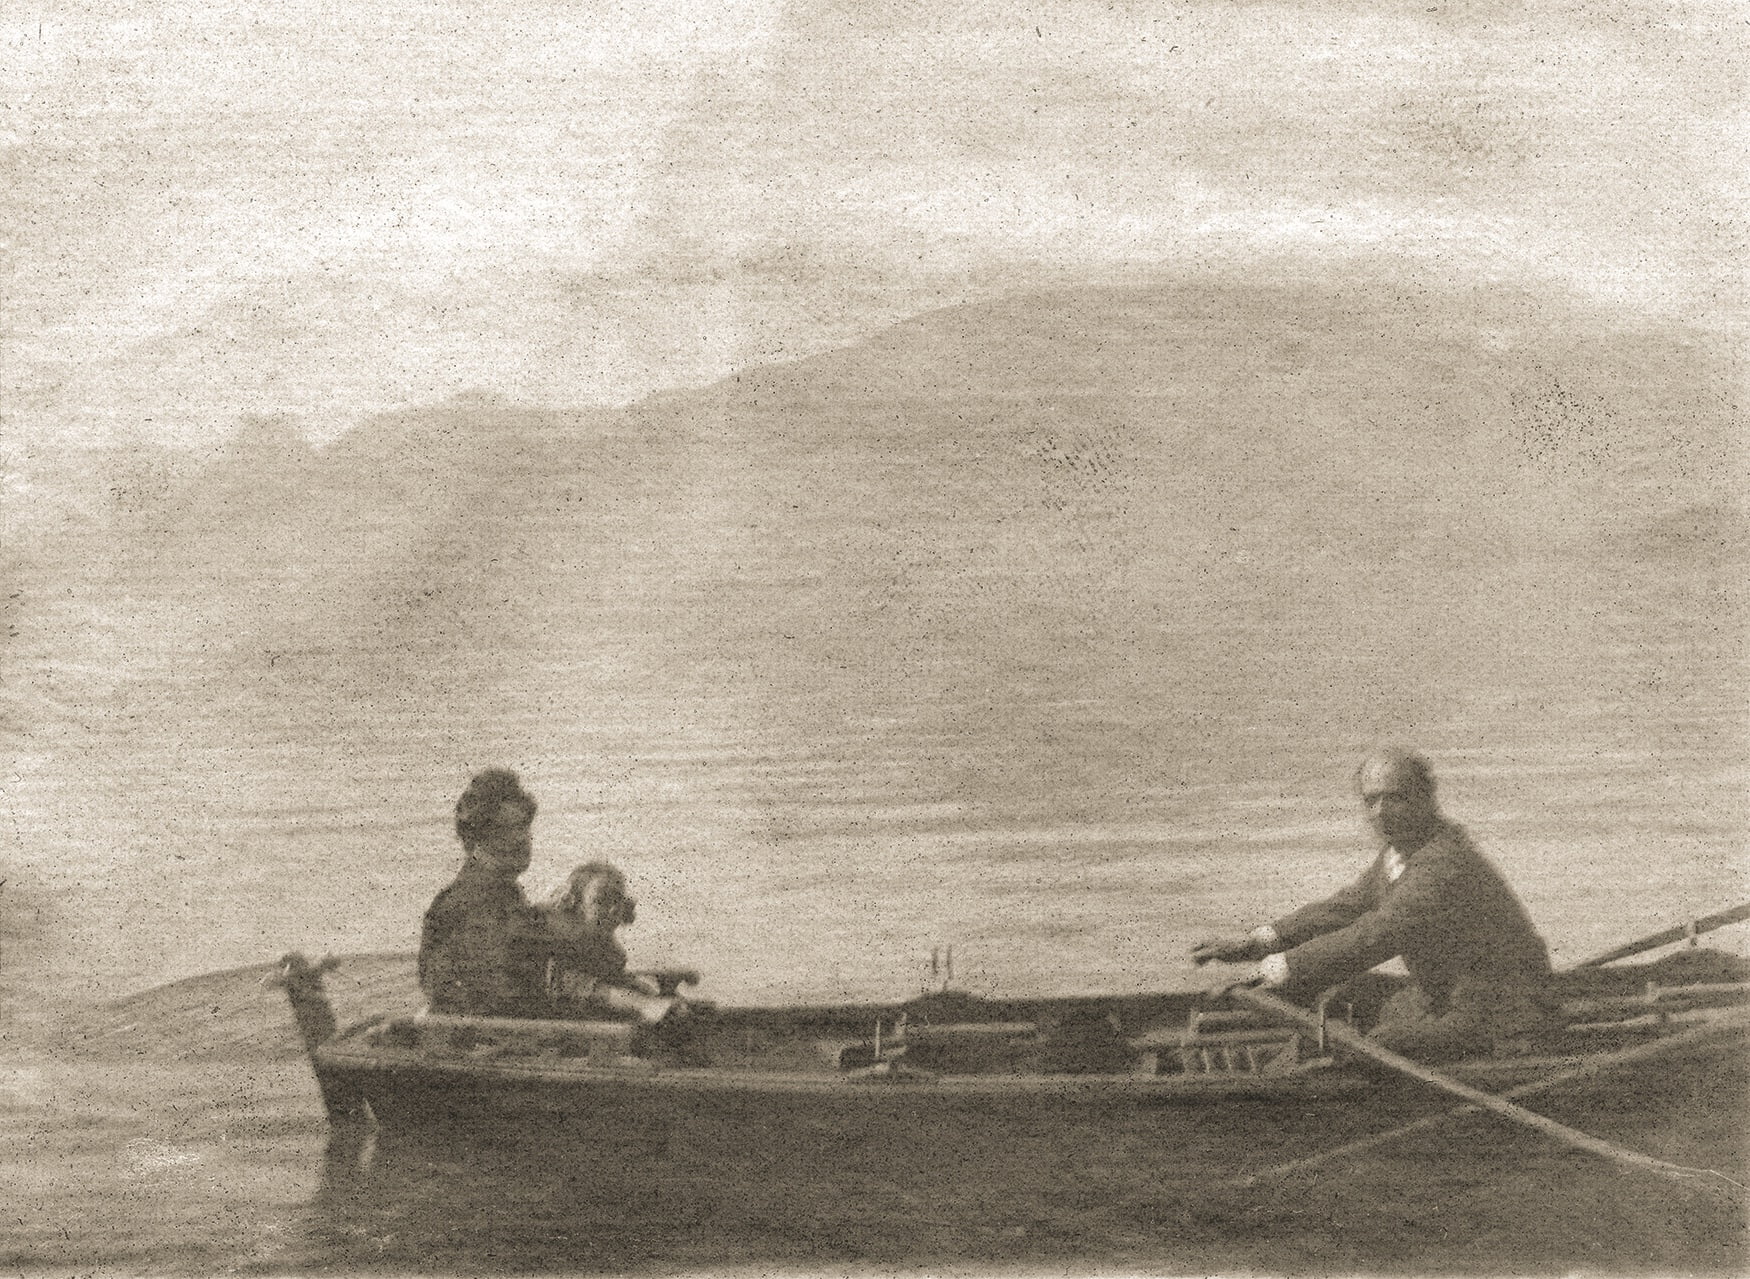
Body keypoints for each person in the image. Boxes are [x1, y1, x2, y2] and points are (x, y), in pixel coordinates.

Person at [1192, 747, 1557, 1061]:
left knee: (1378, 1046)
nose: (1380, 812)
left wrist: (1281, 968)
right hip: (1447, 996)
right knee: (1342, 995)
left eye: (1394, 798)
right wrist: (1259, 942)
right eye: (1371, 801)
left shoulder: (1443, 863)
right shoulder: (1402, 853)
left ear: (1426, 799)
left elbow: (1378, 933)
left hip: (1504, 1015)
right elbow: (1347, 908)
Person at [417, 768, 553, 1017]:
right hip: (482, 1033)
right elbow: (501, 995)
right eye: (506, 829)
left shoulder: (504, 892)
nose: (522, 839)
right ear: (477, 836)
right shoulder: (470, 901)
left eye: (524, 826)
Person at [543, 862, 698, 1023]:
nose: (613, 909)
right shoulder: (562, 948)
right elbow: (587, 989)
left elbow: (616, 980)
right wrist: (643, 1003)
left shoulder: (608, 950)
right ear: (576, 905)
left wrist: (651, 996)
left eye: (618, 900)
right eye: (601, 901)